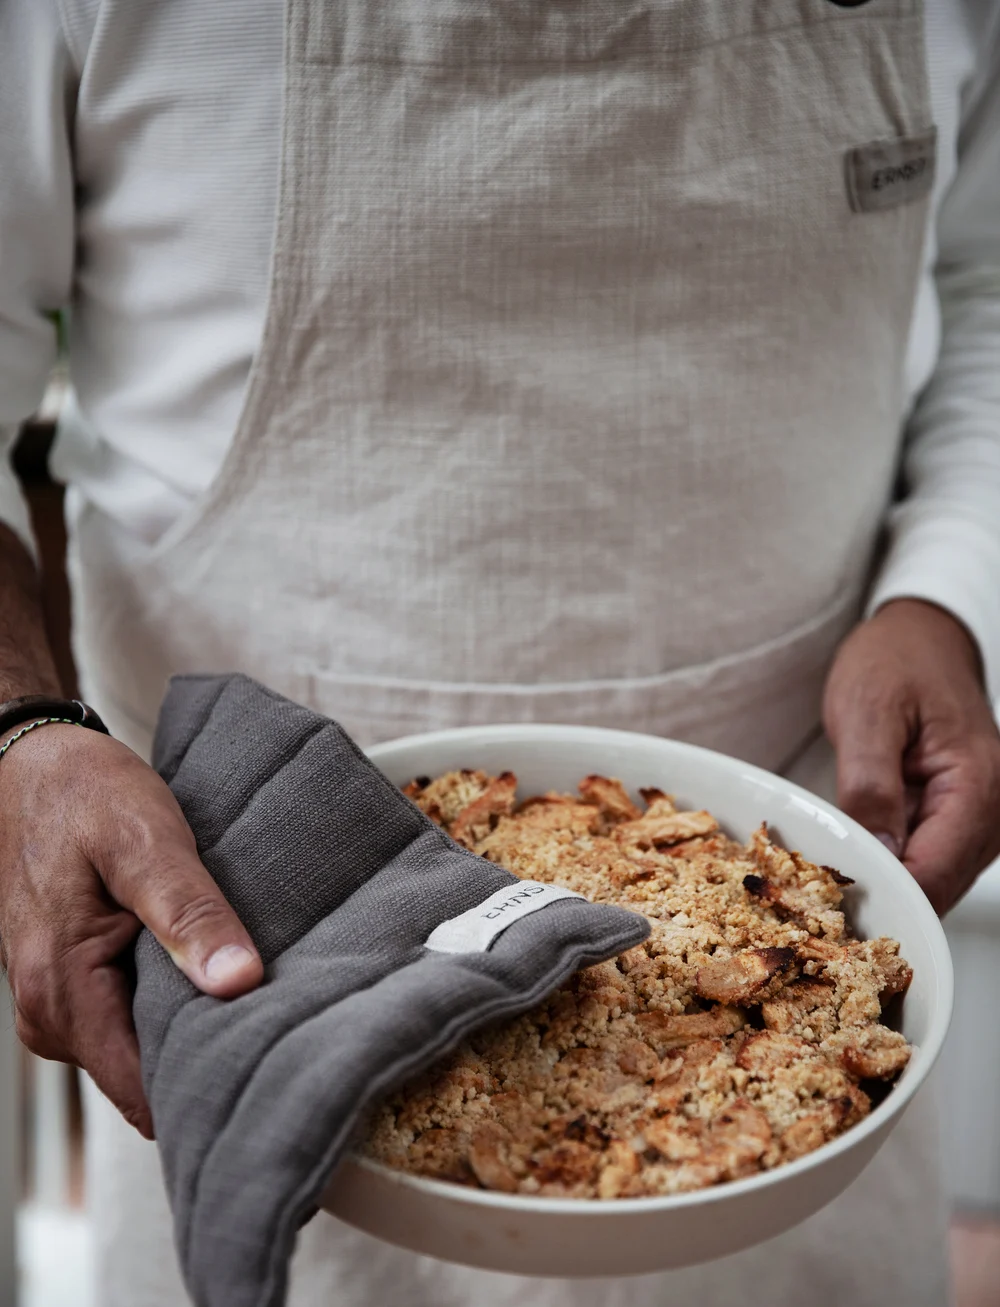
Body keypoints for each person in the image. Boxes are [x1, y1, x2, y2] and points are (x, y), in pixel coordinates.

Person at [1, 0, 999, 1303]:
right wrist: (19, 734)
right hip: (252, 945)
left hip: (798, 895)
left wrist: (950, 593)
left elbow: (984, 280)